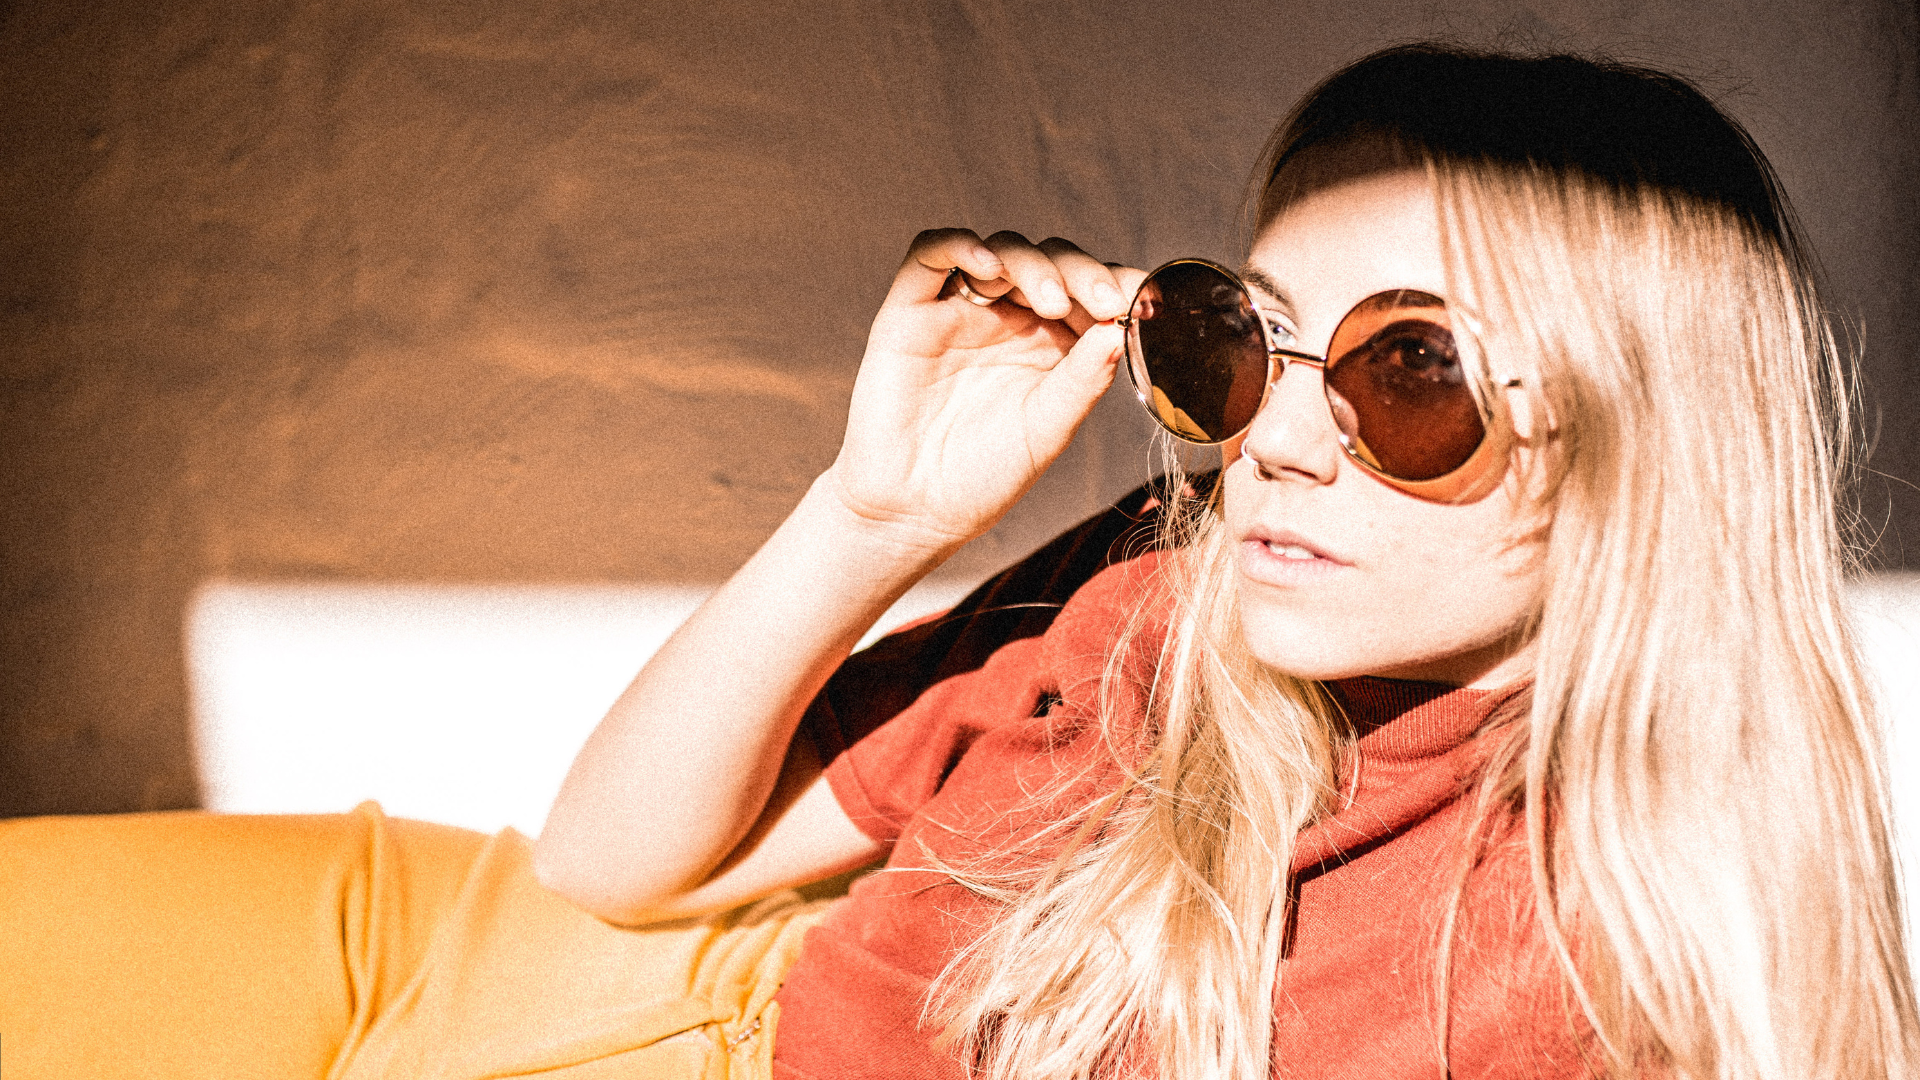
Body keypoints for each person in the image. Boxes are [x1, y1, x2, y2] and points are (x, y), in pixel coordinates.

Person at [1, 44, 1913, 1080]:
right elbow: (615, 869)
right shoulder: (1176, 579)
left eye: (1413, 371)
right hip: (515, 958)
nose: (1285, 440)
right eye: (1246, 339)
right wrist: (880, 513)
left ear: (1645, 445)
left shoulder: (1591, 971)